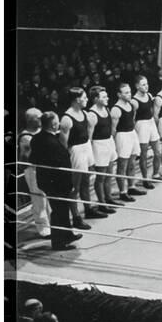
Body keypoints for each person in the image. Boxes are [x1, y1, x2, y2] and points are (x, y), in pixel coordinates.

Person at [30, 112, 83, 250]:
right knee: (59, 211)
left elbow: (32, 159)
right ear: (54, 125)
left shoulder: (36, 138)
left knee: (62, 209)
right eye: (57, 121)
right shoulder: (52, 142)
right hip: (57, 182)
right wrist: (70, 183)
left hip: (47, 180)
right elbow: (63, 164)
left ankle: (67, 234)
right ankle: (59, 242)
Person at [59, 88, 103, 228]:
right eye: (84, 98)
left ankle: (88, 209)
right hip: (75, 151)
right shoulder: (66, 118)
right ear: (77, 99)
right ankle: (76, 217)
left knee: (86, 181)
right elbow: (63, 143)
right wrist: (66, 160)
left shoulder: (84, 113)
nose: (87, 100)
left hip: (86, 147)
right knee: (74, 187)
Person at [88, 86, 122, 213]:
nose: (107, 98)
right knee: (101, 177)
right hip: (98, 145)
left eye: (106, 96)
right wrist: (91, 155)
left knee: (109, 174)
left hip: (109, 142)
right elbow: (89, 137)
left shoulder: (106, 109)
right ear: (96, 99)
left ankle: (108, 198)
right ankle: (102, 203)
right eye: (103, 97)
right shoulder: (92, 114)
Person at [18, 108, 51, 238]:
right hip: (33, 170)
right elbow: (27, 156)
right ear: (31, 120)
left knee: (47, 198)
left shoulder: (41, 132)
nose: (41, 120)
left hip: (44, 168)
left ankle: (51, 224)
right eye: (38, 117)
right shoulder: (25, 137)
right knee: (38, 199)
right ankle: (43, 229)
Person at [111, 83, 146, 202]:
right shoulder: (116, 109)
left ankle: (131, 186)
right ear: (119, 95)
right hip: (122, 136)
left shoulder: (131, 105)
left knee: (132, 163)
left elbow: (133, 119)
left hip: (132, 133)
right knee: (122, 165)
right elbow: (113, 129)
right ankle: (122, 192)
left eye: (129, 92)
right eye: (126, 93)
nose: (129, 94)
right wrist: (115, 143)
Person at [131, 75, 162, 189]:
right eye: (143, 84)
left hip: (150, 123)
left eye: (147, 84)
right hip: (141, 125)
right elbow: (132, 119)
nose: (146, 86)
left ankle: (155, 174)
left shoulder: (149, 95)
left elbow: (151, 111)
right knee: (143, 155)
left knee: (158, 151)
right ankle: (145, 179)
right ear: (137, 86)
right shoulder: (134, 101)